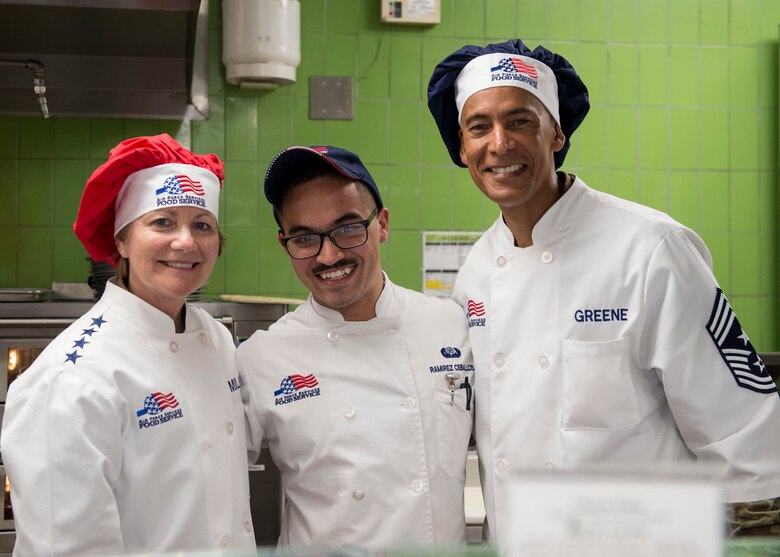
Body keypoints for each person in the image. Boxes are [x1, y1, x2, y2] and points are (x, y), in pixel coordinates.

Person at [426, 39, 780, 548]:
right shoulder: (476, 272)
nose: (499, 143)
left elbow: (746, 436)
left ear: (556, 133)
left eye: (521, 120)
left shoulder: (651, 248)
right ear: (462, 148)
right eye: (479, 126)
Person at [1, 134, 256, 556]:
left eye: (202, 225)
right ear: (121, 241)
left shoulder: (215, 337)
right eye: (162, 222)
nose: (186, 242)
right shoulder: (72, 379)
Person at [237, 145, 474, 549]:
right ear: (284, 244)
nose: (328, 255)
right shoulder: (262, 357)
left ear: (381, 224)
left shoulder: (450, 326)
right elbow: (207, 482)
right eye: (304, 237)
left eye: (347, 228)